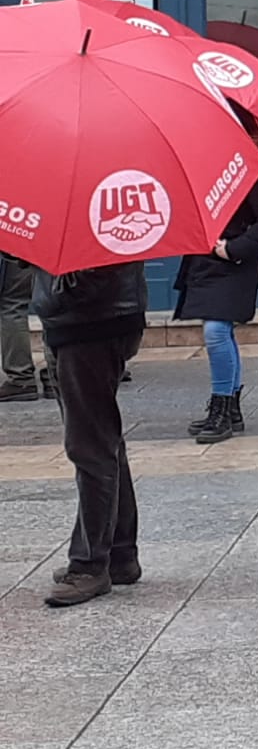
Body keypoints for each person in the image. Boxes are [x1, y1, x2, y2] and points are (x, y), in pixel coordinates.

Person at [32, 259, 148, 605]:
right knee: (101, 437)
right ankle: (118, 553)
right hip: (77, 320)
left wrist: (58, 292)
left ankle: (89, 565)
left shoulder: (95, 207)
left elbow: (97, 266)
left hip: (91, 321)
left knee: (89, 445)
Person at [174, 110, 258, 445]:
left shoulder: (252, 167)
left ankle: (221, 408)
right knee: (220, 331)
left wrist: (234, 248)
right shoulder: (202, 162)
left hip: (234, 262)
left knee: (216, 331)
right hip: (203, 260)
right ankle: (229, 407)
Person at [0, 249, 42, 402]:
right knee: (52, 304)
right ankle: (54, 377)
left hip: (17, 240)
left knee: (13, 305)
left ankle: (21, 377)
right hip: (48, 239)